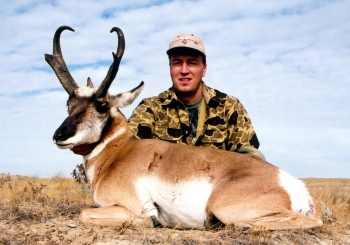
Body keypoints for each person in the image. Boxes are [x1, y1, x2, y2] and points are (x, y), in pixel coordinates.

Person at [128, 33, 265, 160]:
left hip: (218, 184)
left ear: (204, 69)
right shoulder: (151, 108)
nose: (184, 70)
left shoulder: (229, 106)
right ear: (170, 67)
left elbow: (251, 156)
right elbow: (124, 148)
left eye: (192, 63)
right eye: (177, 63)